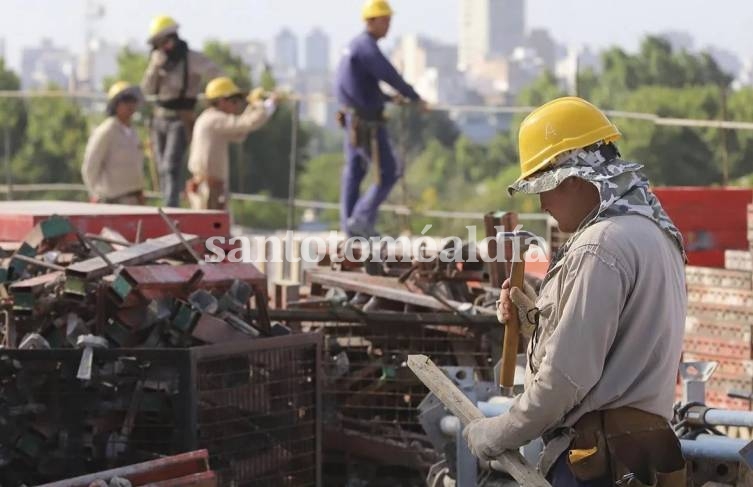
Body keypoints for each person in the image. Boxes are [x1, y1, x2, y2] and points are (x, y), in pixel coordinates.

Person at [462, 97, 688, 486]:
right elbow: (617, 348)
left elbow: (564, 381)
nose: (543, 203)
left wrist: (494, 432)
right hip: (644, 459)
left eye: (544, 188)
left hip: (596, 462)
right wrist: (538, 323)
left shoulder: (598, 247)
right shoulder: (656, 235)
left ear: (573, 178)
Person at [335, 0, 425, 237]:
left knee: (354, 172)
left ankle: (350, 227)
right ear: (370, 21)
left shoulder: (355, 46)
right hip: (365, 122)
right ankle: (361, 220)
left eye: (389, 20)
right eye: (384, 20)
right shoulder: (366, 48)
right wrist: (415, 98)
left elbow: (361, 86)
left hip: (353, 118)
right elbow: (389, 74)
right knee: (388, 172)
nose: (388, 25)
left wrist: (386, 98)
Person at [141, 15, 222, 207]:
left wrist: (212, 95)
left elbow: (218, 75)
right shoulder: (158, 61)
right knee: (162, 167)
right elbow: (147, 89)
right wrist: (155, 67)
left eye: (165, 41)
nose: (163, 47)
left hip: (180, 119)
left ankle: (171, 208)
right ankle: (167, 203)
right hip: (159, 119)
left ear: (174, 38)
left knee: (171, 165)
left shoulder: (192, 59)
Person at [186, 78, 277, 210]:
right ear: (222, 101)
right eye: (234, 101)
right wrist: (261, 104)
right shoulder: (215, 119)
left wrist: (255, 107)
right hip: (208, 189)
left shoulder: (209, 118)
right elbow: (247, 123)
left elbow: (240, 132)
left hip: (206, 187)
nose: (237, 105)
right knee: (210, 227)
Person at [81, 81, 145, 205]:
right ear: (115, 104)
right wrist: (94, 193)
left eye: (133, 100)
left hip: (133, 201)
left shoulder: (133, 132)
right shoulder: (106, 131)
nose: (131, 105)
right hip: (112, 202)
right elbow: (90, 166)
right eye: (126, 100)